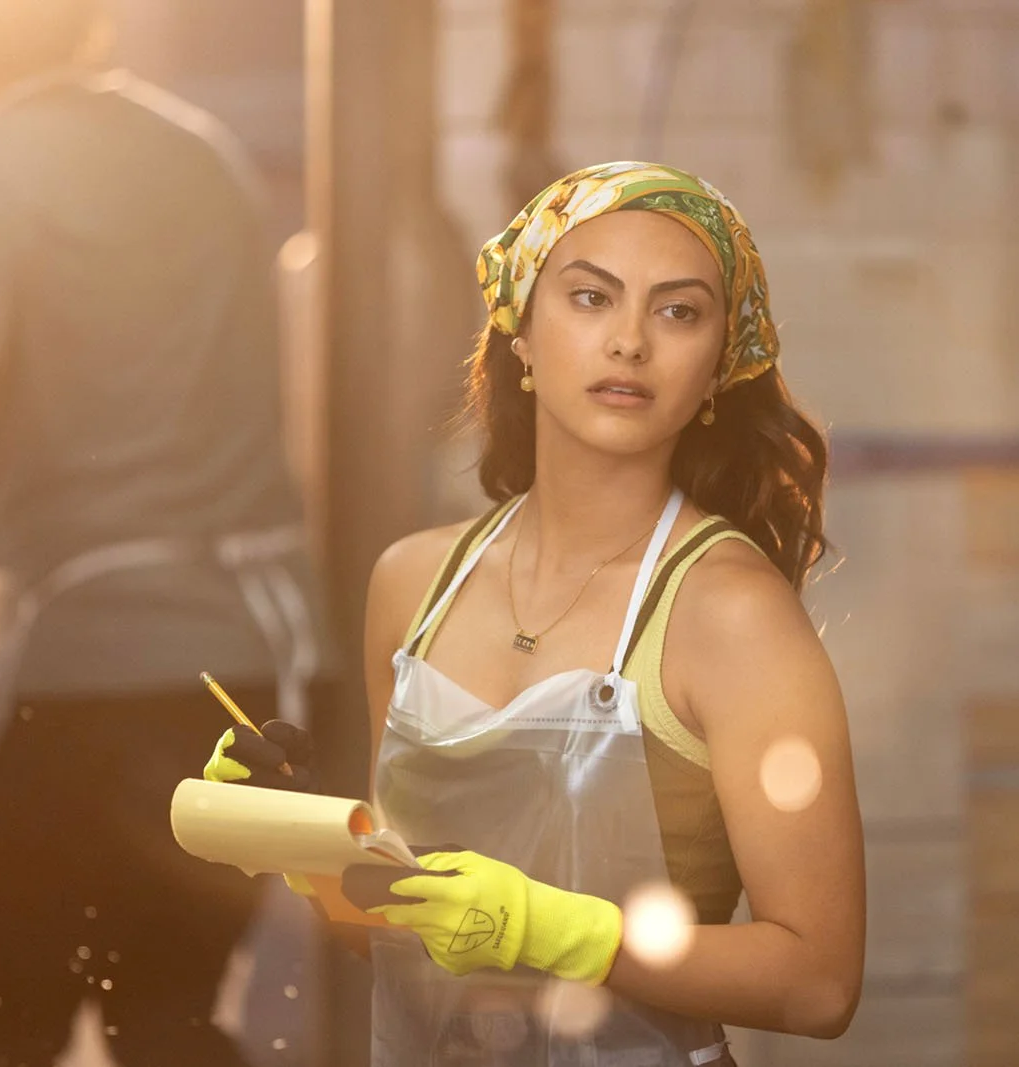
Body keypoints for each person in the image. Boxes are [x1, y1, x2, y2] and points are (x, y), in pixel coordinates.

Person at [209, 160, 865, 1065]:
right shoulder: (412, 585)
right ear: (519, 329)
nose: (630, 341)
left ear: (719, 364)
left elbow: (820, 981)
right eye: (591, 298)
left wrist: (554, 929)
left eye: (678, 311)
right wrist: (298, 838)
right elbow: (408, 931)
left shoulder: (731, 616)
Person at [0, 1, 332, 1063]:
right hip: (249, 675)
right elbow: (132, 386)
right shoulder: (201, 155)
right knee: (169, 1010)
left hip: (91, 687)